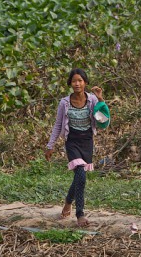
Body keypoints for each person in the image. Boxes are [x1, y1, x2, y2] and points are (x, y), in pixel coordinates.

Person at [45, 68, 109, 227]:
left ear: (85, 83)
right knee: (80, 174)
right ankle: (80, 214)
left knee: (79, 176)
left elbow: (103, 122)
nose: (77, 84)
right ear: (70, 83)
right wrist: (50, 145)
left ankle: (68, 202)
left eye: (80, 81)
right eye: (74, 81)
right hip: (72, 141)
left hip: (87, 141)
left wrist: (101, 100)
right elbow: (58, 125)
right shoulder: (64, 103)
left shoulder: (93, 100)